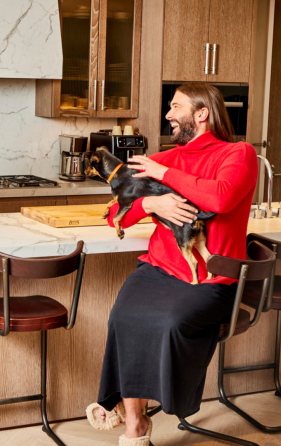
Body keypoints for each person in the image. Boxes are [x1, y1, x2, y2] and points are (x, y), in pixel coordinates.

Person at [85, 83, 258, 446]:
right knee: (123, 316)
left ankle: (164, 404)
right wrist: (151, 206)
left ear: (201, 114)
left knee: (170, 322)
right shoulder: (162, 157)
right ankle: (135, 424)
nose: (167, 115)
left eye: (175, 106)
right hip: (158, 269)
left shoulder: (238, 153)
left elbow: (221, 197)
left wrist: (163, 177)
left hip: (211, 281)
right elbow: (117, 212)